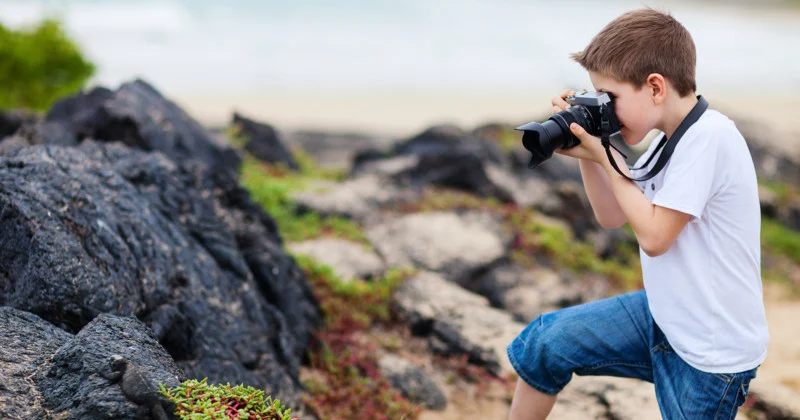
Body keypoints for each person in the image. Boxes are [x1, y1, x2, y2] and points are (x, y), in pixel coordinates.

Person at [506, 8, 769, 420]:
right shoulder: (667, 142)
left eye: (609, 98)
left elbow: (655, 237)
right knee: (545, 343)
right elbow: (612, 215)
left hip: (709, 355)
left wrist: (605, 157)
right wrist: (591, 152)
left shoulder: (710, 138)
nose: (604, 109)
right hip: (665, 315)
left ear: (655, 88)